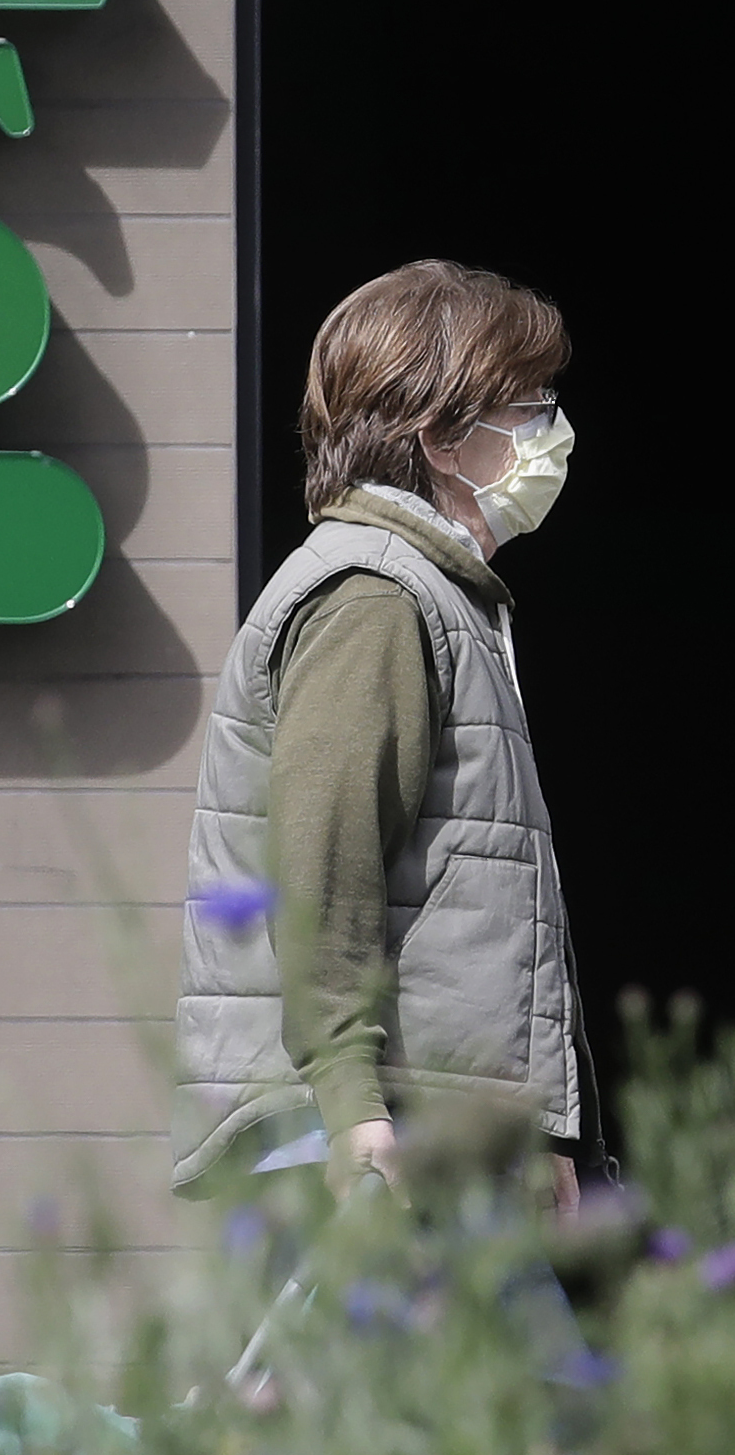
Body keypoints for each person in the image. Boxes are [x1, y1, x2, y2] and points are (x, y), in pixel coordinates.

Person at [171, 259, 597, 1210]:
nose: (552, 430)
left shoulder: (433, 596)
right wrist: (355, 1109)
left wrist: (530, 1135)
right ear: (444, 436)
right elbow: (323, 864)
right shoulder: (376, 594)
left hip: (430, 1128)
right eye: (529, 405)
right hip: (376, 1138)